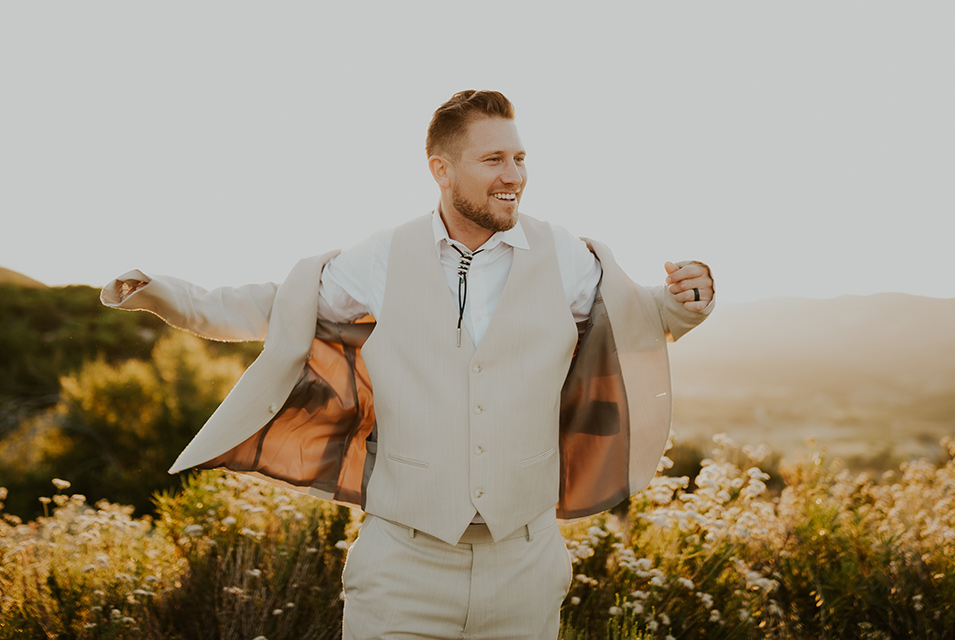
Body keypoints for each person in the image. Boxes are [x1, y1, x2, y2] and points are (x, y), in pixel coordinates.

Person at [102, 90, 714, 640]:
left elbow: (640, 319)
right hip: (402, 571)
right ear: (441, 170)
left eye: (520, 158)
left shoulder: (567, 257)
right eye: (494, 160)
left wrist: (686, 302)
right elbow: (270, 307)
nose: (515, 176)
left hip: (525, 570)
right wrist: (161, 292)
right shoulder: (384, 257)